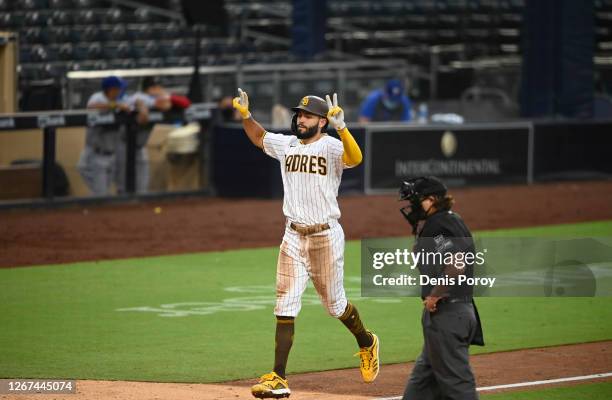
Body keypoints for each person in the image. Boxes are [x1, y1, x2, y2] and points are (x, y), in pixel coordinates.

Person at [233, 89, 380, 399]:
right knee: (285, 303)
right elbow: (260, 137)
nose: (300, 119)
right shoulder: (287, 145)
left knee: (335, 305)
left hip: (325, 236)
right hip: (293, 235)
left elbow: (355, 158)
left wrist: (342, 127)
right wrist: (246, 116)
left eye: (308, 115)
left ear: (322, 122)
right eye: (299, 114)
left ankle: (366, 342)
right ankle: (279, 378)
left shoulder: (331, 146)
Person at [398, 176, 484, 400]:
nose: (413, 206)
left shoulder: (439, 224)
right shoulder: (449, 221)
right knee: (420, 387)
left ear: (433, 199)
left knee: (457, 387)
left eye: (418, 200)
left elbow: (456, 263)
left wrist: (435, 296)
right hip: (452, 315)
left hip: (448, 313)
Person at [116, 77, 172, 193]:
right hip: (124, 146)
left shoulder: (150, 99)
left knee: (142, 186)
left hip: (139, 147)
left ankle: (139, 209)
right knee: (124, 185)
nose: (160, 89)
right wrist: (162, 95)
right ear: (150, 89)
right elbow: (164, 105)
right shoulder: (141, 96)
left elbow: (168, 104)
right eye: (157, 87)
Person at [78, 75, 130, 195]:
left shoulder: (121, 100)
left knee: (102, 193)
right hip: (97, 152)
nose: (120, 91)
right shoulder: (98, 97)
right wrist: (114, 106)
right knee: (100, 194)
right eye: (118, 88)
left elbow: (131, 105)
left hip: (112, 154)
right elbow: (91, 106)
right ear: (111, 89)